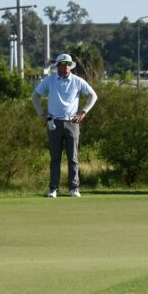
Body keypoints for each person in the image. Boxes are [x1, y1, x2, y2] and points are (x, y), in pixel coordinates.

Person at [31, 53, 97, 198]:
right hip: (53, 122)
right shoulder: (50, 80)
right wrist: (42, 114)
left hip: (72, 122)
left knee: (73, 158)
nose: (66, 66)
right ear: (58, 66)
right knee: (55, 158)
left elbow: (93, 95)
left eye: (68, 64)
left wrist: (83, 112)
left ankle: (74, 188)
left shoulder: (77, 81)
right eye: (63, 64)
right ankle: (53, 189)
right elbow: (35, 96)